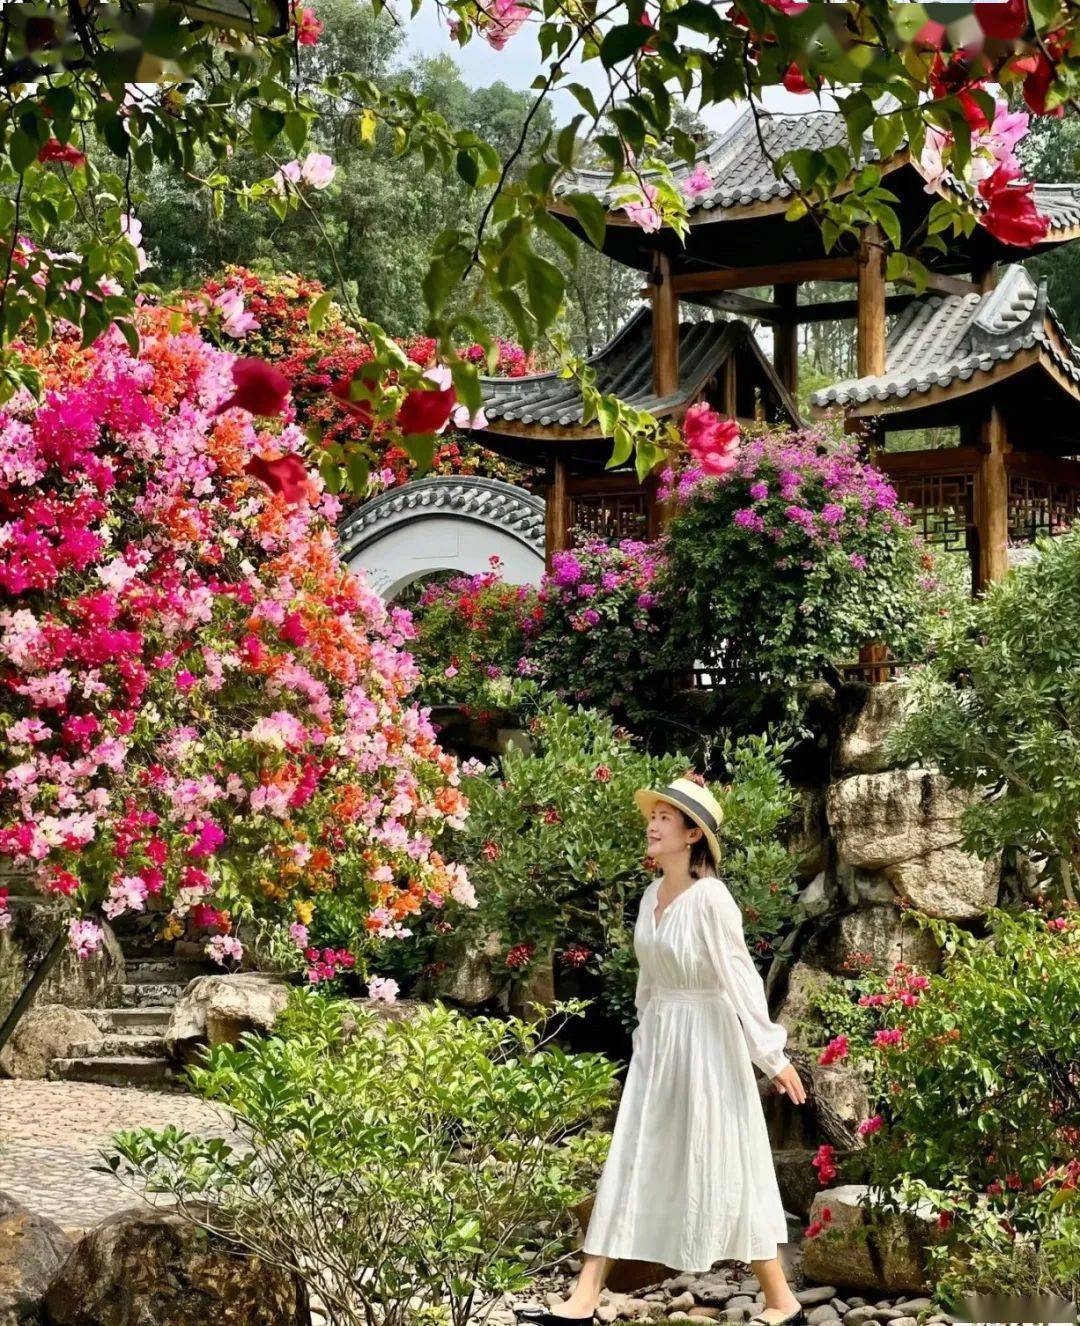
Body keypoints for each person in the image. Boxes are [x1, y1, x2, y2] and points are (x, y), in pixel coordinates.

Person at [515, 774, 809, 1326]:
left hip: (709, 1041)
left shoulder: (712, 900)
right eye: (653, 815)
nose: (652, 824)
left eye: (665, 818)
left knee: (728, 1158)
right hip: (662, 1041)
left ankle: (781, 1300)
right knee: (633, 1154)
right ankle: (583, 1299)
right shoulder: (652, 895)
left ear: (693, 834)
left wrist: (772, 1055)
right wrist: (644, 1040)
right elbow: (648, 982)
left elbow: (741, 979)